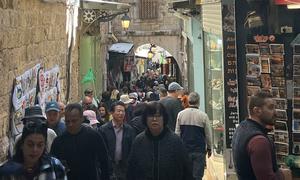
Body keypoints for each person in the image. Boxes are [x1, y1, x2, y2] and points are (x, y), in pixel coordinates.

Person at [232, 91, 291, 180]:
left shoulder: (241, 127)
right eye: (271, 108)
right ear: (257, 111)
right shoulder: (259, 141)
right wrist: (284, 175)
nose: (275, 113)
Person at [127, 102, 192, 180]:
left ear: (164, 118)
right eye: (151, 116)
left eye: (158, 116)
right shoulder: (139, 141)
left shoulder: (175, 141)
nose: (154, 119)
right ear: (145, 118)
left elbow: (186, 170)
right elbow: (131, 170)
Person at [50, 103, 110, 180]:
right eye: (67, 121)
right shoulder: (59, 141)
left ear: (81, 119)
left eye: (74, 121)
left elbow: (104, 161)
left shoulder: (93, 136)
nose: (70, 124)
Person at [0, 120, 66, 179]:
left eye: (40, 145)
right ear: (22, 145)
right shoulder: (7, 172)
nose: (35, 150)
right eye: (30, 145)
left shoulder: (55, 167)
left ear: (44, 146)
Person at [175, 92, 212, 180]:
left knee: (185, 175)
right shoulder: (203, 116)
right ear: (198, 102)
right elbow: (208, 134)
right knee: (197, 176)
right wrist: (209, 148)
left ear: (188, 101)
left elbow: (177, 133)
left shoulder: (181, 114)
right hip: (199, 150)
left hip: (184, 149)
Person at [100, 101, 136, 180]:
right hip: (109, 167)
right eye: (118, 111)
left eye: (123, 111)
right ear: (112, 113)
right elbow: (102, 150)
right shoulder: (104, 129)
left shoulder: (129, 130)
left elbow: (132, 149)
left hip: (124, 167)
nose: (121, 113)